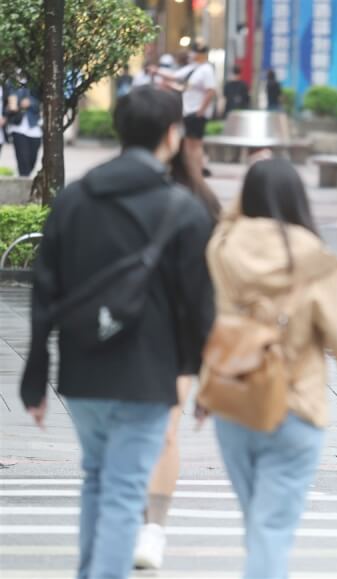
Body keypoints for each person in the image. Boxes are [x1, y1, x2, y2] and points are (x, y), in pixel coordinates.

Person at [19, 85, 215, 579]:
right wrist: (206, 377)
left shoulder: (75, 199)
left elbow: (45, 289)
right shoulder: (184, 209)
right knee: (126, 489)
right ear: (173, 135)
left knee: (98, 481)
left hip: (84, 369)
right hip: (149, 375)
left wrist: (35, 377)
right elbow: (200, 307)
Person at [200, 158, 337, 578]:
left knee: (258, 523)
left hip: (234, 402)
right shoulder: (310, 256)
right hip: (294, 405)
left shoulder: (222, 246)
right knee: (272, 527)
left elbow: (229, 219)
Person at [133, 138, 221, 571]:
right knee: (156, 432)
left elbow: (208, 291)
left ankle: (152, 528)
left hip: (171, 336)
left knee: (163, 429)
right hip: (146, 334)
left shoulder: (198, 207)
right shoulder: (190, 205)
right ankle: (147, 524)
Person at [154, 41, 217, 177]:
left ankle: (197, 170)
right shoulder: (193, 68)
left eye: (196, 52)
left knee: (195, 143)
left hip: (197, 112)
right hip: (188, 110)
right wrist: (157, 71)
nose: (193, 54)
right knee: (189, 143)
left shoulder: (206, 69)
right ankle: (191, 169)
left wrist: (201, 110)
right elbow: (175, 76)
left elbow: (211, 91)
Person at [6, 85, 42, 177]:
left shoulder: (35, 81)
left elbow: (41, 101)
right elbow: (7, 100)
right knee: (23, 160)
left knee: (32, 160)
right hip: (17, 128)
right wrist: (15, 105)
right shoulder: (11, 83)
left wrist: (31, 103)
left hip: (34, 127)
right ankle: (24, 182)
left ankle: (25, 179)